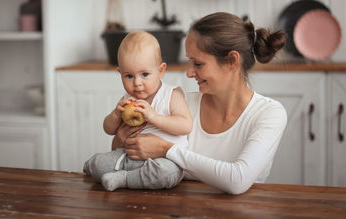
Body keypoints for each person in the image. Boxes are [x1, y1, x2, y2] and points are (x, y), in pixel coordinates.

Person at [112, 12, 288, 195]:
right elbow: (127, 155)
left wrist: (167, 150)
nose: (189, 72)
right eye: (190, 62)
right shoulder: (179, 105)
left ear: (232, 61)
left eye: (198, 64)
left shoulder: (269, 113)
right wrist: (121, 139)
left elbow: (237, 179)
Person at [83, 30, 193, 191]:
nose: (137, 83)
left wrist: (154, 116)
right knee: (98, 164)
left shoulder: (172, 94)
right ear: (120, 74)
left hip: (162, 161)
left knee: (167, 174)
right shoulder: (127, 100)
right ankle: (96, 167)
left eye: (145, 74)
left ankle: (124, 179)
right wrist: (115, 114)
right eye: (129, 76)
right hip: (128, 156)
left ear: (161, 70)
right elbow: (108, 129)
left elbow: (185, 125)